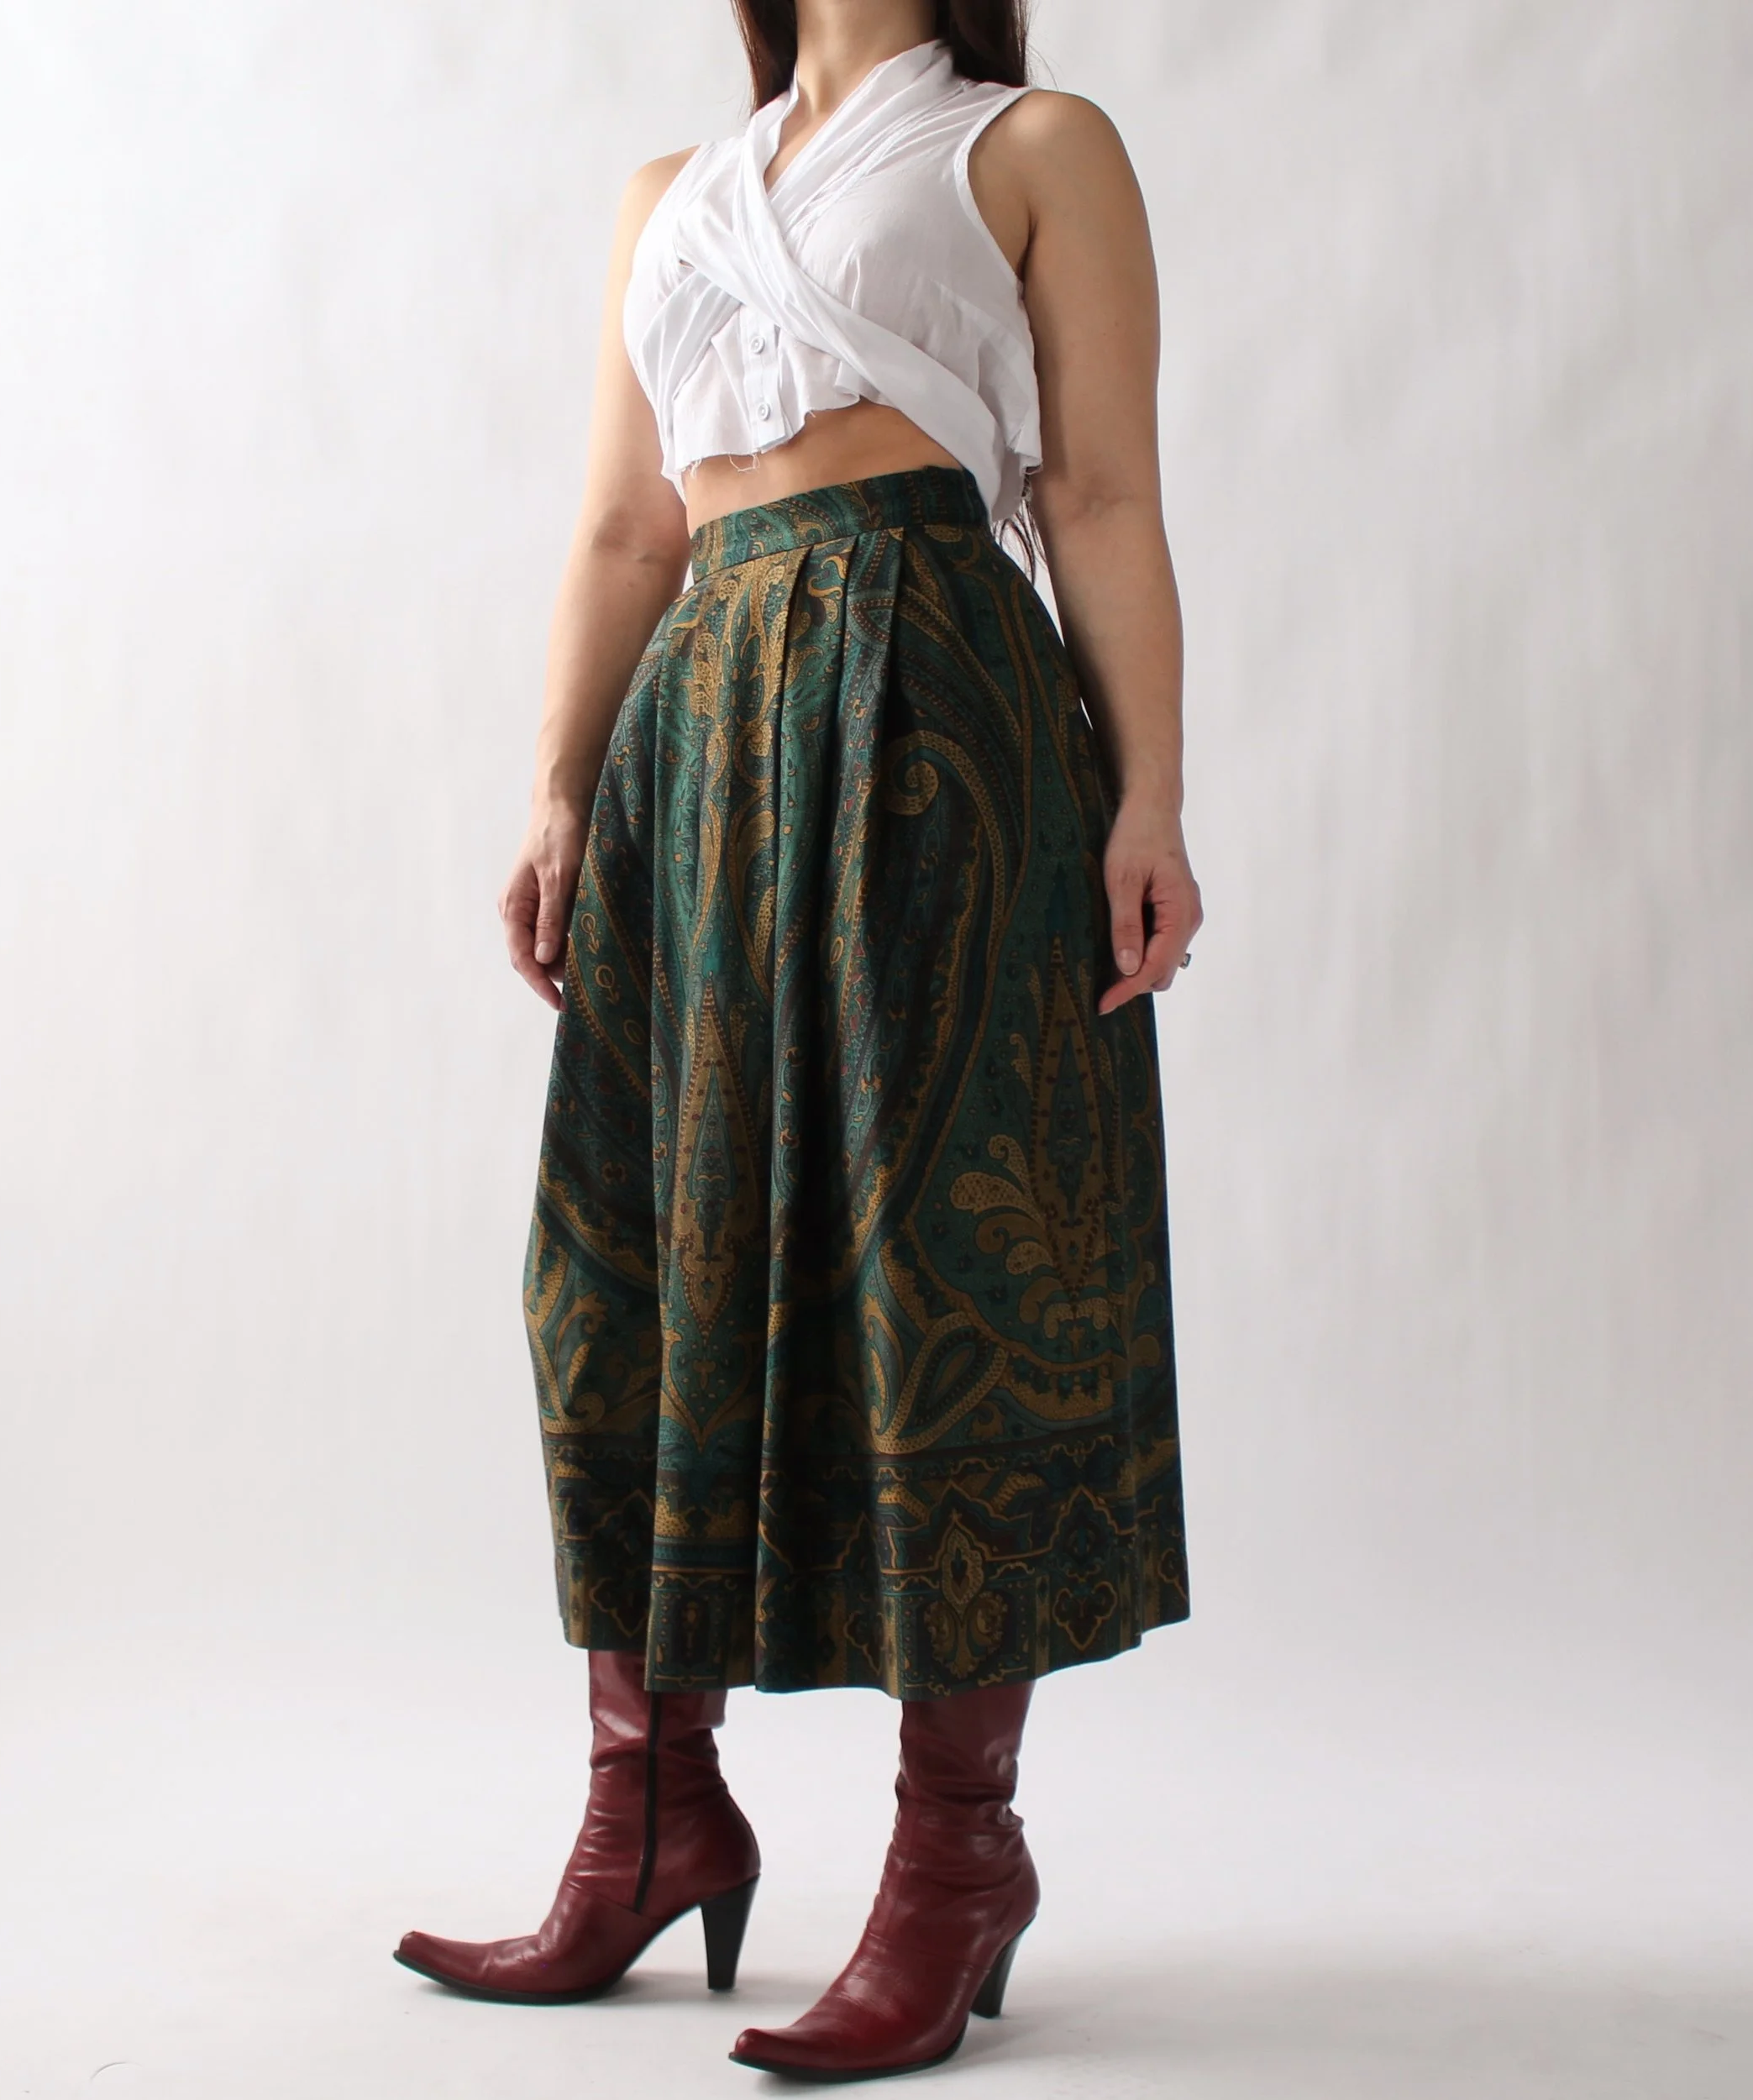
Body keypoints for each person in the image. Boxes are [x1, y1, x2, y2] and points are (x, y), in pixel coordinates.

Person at [395, 0, 1200, 2079]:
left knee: (944, 1251)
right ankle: (649, 1814)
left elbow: (1098, 490)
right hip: (701, 735)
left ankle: (954, 1856)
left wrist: (1147, 797)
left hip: (936, 712)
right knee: (630, 1261)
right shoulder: (669, 196)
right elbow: (625, 530)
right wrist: (560, 787)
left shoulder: (1031, 144)